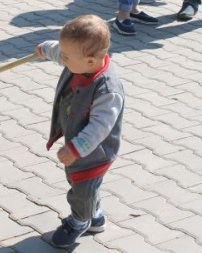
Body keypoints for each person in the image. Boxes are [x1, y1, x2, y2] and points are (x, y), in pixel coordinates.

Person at [36, 15, 125, 249]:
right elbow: (61, 52)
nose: (62, 58)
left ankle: (79, 220)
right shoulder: (80, 61)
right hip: (78, 144)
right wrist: (46, 49)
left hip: (95, 151)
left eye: (66, 56)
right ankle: (96, 216)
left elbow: (99, 128)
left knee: (82, 186)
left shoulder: (108, 91)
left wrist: (76, 148)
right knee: (82, 183)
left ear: (89, 62)